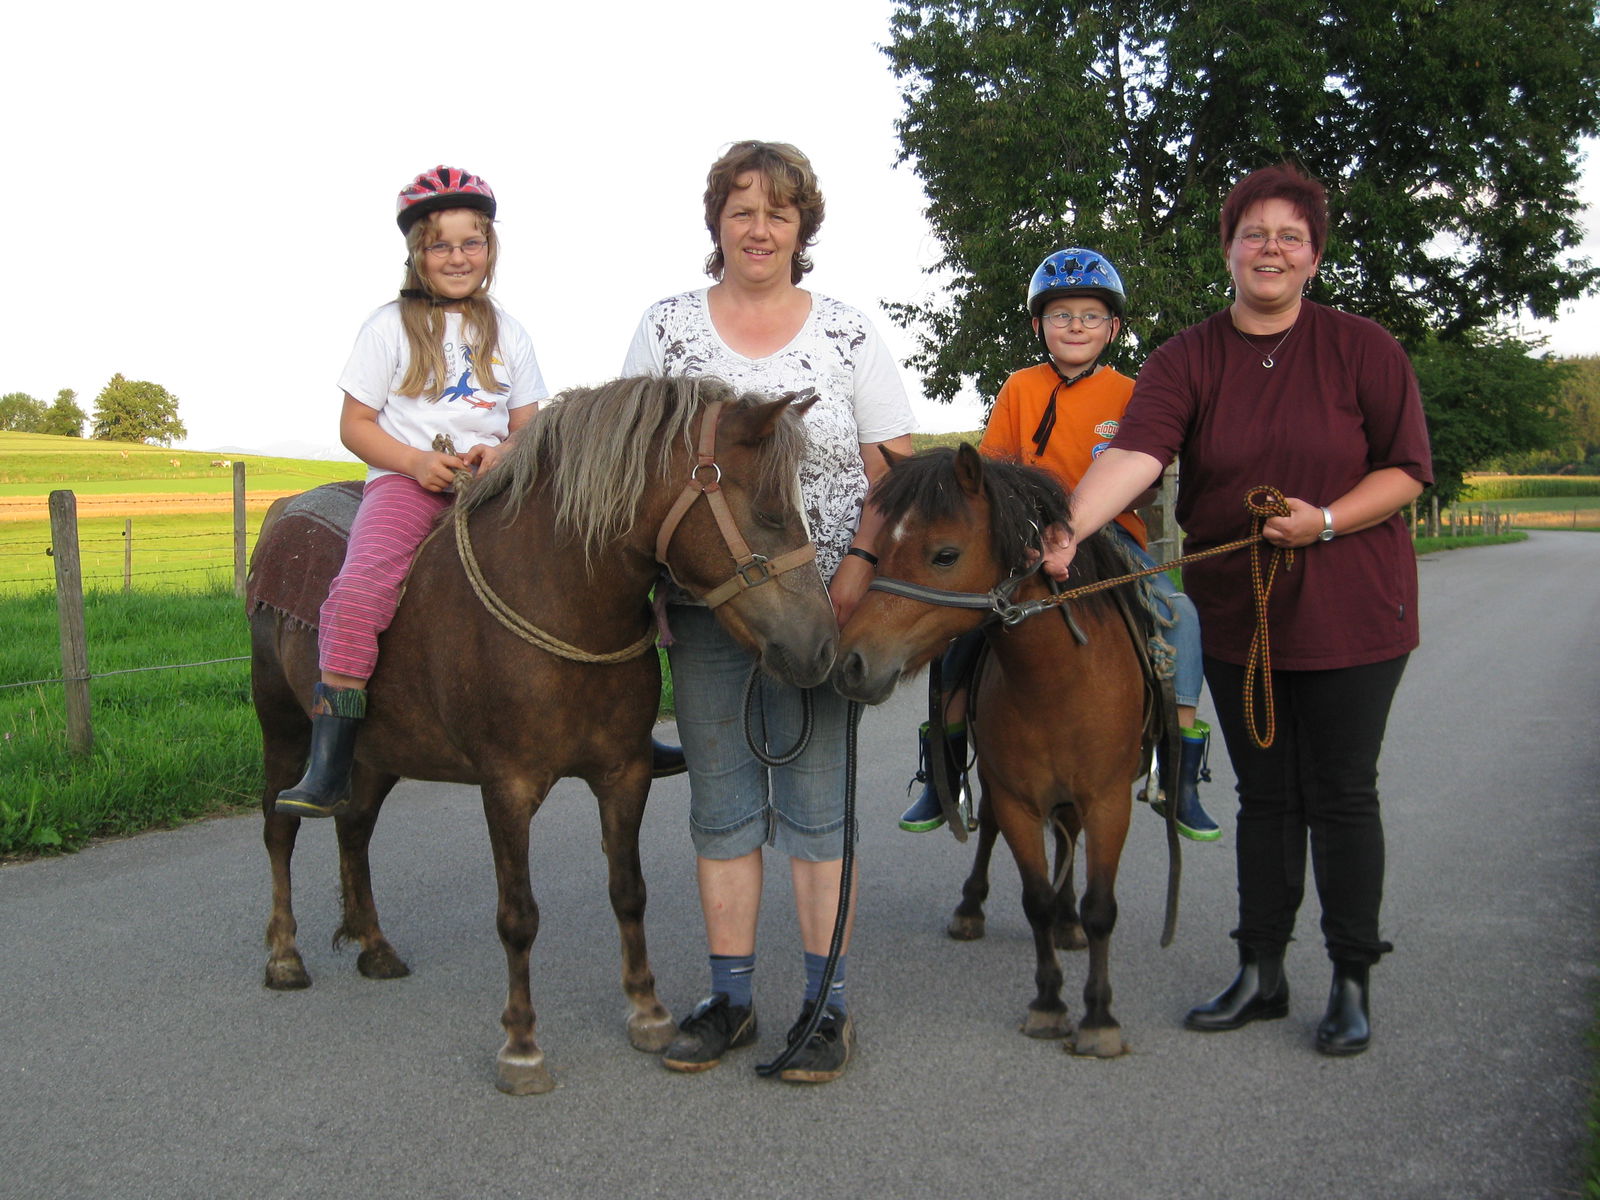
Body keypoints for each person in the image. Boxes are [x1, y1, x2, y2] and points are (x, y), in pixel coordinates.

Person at [1048, 163, 1432, 1057]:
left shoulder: (1364, 348)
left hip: (1353, 609)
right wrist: (1067, 529)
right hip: (1239, 615)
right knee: (1266, 796)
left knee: (1341, 792)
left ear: (1314, 258)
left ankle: (1350, 977)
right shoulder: (1188, 358)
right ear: (1227, 249)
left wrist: (1325, 520)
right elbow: (1137, 455)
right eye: (1253, 233)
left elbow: (1407, 469)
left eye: (1290, 236)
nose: (1271, 249)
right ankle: (1261, 970)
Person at [623, 140, 915, 1084]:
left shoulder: (847, 335)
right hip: (705, 610)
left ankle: (827, 1010)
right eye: (741, 210)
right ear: (717, 222)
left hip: (818, 610)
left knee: (818, 814)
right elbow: (632, 465)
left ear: (801, 228)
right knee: (722, 811)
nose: (759, 229)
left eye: (777, 213)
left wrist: (858, 569)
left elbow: (894, 474)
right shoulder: (667, 329)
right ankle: (731, 1000)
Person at [898, 248, 1219, 841]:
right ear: (1038, 325)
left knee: (1178, 614)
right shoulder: (1019, 388)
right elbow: (992, 473)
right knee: (959, 632)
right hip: (1023, 538)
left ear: (1113, 327)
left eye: (1091, 315)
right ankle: (943, 772)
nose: (1076, 325)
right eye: (1061, 315)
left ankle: (1178, 773)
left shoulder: (1132, 391)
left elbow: (1145, 478)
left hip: (1112, 536)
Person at [275, 166, 547, 818]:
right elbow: (355, 425)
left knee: (581, 558)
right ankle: (331, 756)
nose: (457, 257)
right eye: (439, 244)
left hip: (494, 487)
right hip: (408, 485)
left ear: (490, 248)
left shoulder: (509, 332)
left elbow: (528, 425)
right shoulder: (387, 328)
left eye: (471, 242)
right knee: (359, 589)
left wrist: (502, 453)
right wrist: (414, 461)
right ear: (416, 253)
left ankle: (619, 728)